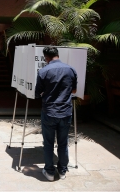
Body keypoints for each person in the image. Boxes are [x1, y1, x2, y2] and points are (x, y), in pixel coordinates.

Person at [35, 47, 77, 181]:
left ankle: (49, 172)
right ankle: (63, 171)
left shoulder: (43, 71)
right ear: (58, 55)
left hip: (49, 112)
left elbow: (37, 94)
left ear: (46, 58)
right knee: (63, 143)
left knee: (48, 143)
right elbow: (74, 91)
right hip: (65, 112)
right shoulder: (71, 70)